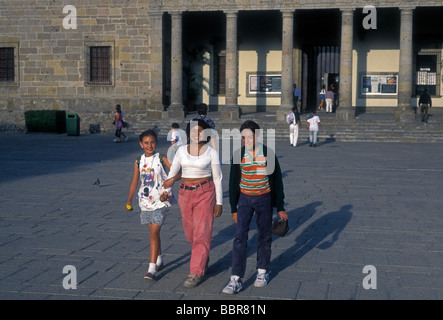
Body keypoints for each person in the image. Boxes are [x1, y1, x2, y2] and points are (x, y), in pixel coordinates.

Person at [222, 120, 288, 294]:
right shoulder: (239, 155)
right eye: (243, 138)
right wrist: (233, 208)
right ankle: (236, 278)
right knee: (239, 237)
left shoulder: (267, 153)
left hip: (264, 198)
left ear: (257, 137)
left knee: (264, 235)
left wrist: (280, 206)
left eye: (250, 137)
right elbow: (233, 182)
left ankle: (262, 272)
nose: (247, 141)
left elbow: (277, 181)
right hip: (244, 199)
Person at [163, 118, 223, 288]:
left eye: (201, 131)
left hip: (205, 192)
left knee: (202, 233)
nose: (197, 134)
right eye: (194, 131)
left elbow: (217, 178)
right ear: (188, 133)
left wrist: (219, 202)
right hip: (185, 194)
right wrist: (166, 192)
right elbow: (172, 173)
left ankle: (195, 271)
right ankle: (203, 256)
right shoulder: (181, 151)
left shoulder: (211, 152)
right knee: (190, 233)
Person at [125, 129, 178, 280]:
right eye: (146, 143)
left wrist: (168, 187)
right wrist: (129, 200)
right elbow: (135, 181)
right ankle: (159, 258)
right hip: (145, 202)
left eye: (152, 142)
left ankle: (152, 268)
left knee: (153, 233)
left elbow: (174, 170)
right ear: (141, 144)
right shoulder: (138, 161)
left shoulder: (160, 158)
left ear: (156, 143)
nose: (149, 146)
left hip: (161, 201)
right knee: (154, 233)